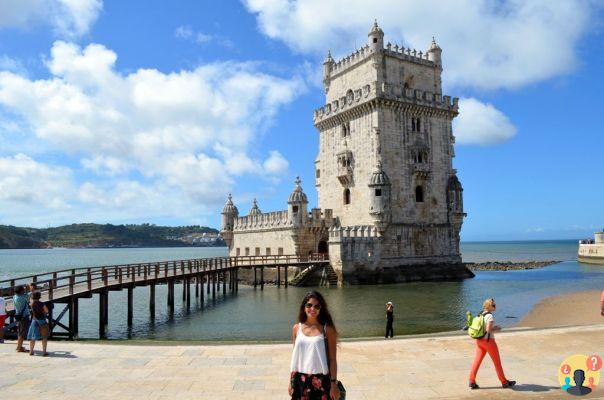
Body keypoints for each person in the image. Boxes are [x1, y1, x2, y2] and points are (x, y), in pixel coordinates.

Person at [289, 291, 340, 400]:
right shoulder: (296, 329)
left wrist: (333, 383)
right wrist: (291, 382)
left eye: (317, 306)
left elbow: (332, 359)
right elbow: (296, 358)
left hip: (321, 380)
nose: (312, 309)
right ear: (304, 307)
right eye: (309, 305)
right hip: (299, 379)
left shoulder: (328, 329)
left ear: (321, 309)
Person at [468, 298, 516, 390]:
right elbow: (488, 330)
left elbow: (481, 328)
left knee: (477, 362)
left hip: (479, 341)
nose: (495, 307)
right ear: (489, 306)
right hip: (489, 342)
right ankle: (504, 382)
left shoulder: (480, 314)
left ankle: (471, 381)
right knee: (497, 363)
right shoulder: (489, 316)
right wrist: (497, 328)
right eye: (493, 305)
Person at [27, 291, 49, 356]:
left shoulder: (32, 304)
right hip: (42, 320)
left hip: (34, 320)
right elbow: (47, 311)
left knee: (33, 337)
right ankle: (44, 352)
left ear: (32, 297)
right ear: (39, 297)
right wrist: (43, 312)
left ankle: (31, 351)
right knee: (44, 337)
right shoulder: (42, 304)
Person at [13, 285, 31, 353]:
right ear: (21, 291)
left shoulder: (14, 296)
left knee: (19, 331)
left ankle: (19, 346)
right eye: (23, 290)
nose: (24, 290)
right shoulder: (24, 297)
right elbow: (31, 292)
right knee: (22, 332)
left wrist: (25, 289)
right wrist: (28, 287)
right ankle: (19, 347)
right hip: (24, 316)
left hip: (18, 315)